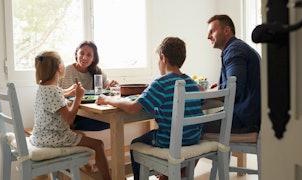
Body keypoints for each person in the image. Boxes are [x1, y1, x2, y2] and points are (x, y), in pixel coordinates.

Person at [95, 37, 204, 180]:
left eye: (158, 60)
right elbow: (201, 97)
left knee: (135, 144)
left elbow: (134, 108)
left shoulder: (161, 83)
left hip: (171, 141)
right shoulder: (191, 83)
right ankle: (168, 174)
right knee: (158, 132)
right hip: (193, 138)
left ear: (163, 58)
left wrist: (107, 99)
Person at [30, 51, 111, 180]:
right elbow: (69, 119)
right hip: (54, 138)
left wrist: (68, 91)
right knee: (98, 144)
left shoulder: (43, 87)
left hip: (40, 136)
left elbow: (59, 93)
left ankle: (90, 167)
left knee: (81, 135)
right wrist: (78, 98)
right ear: (59, 68)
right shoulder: (54, 91)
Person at [204, 14, 261, 133]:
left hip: (245, 118)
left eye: (212, 31)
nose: (208, 37)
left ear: (226, 30)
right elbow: (236, 83)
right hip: (252, 115)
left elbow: (233, 89)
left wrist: (204, 93)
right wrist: (220, 86)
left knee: (191, 127)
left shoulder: (234, 50)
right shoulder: (237, 48)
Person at [59, 40, 118, 131]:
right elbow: (54, 93)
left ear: (94, 58)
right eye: (81, 53)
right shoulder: (66, 71)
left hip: (93, 114)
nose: (84, 57)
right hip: (72, 115)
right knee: (111, 122)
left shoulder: (98, 72)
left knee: (114, 120)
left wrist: (109, 89)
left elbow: (105, 92)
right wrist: (69, 93)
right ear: (76, 54)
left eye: (89, 55)